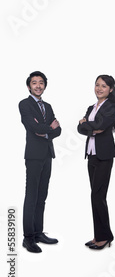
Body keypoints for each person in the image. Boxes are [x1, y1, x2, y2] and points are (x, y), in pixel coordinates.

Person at [19, 71, 61, 253]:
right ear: (29, 86)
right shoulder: (25, 104)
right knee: (31, 196)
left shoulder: (48, 106)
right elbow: (32, 126)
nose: (38, 85)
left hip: (47, 154)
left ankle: (37, 232)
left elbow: (58, 129)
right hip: (34, 155)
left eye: (41, 82)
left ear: (45, 85)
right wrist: (48, 129)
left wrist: (46, 130)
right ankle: (28, 238)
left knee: (42, 196)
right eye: (34, 83)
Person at [77, 75, 115, 250]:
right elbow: (80, 128)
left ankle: (105, 237)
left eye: (104, 86)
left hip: (104, 155)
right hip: (92, 154)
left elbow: (102, 124)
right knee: (96, 196)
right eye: (97, 85)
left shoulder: (111, 106)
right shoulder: (91, 107)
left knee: (98, 196)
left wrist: (88, 124)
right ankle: (100, 235)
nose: (99, 88)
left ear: (110, 89)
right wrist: (91, 126)